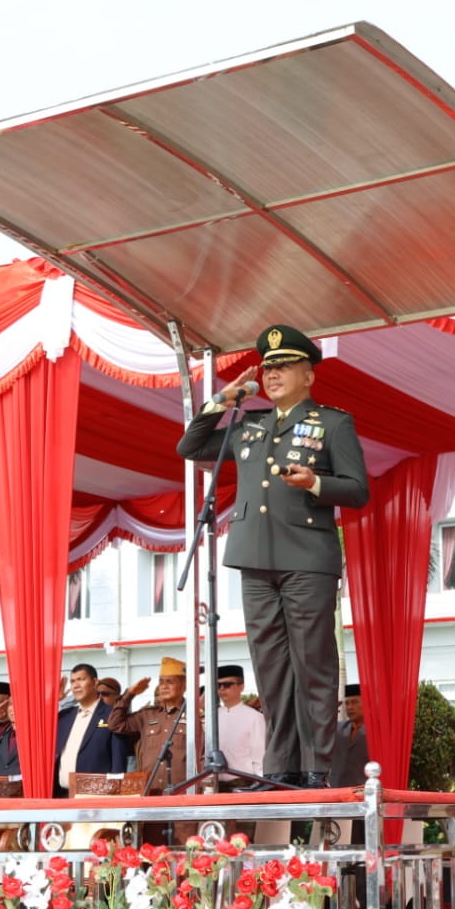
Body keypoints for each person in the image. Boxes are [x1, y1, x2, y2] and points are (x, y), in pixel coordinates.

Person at [177, 324, 369, 789]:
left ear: (308, 374)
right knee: (271, 667)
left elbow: (358, 489)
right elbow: (190, 447)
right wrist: (221, 401)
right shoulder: (250, 424)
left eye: (283, 367)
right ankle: (281, 766)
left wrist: (316, 483)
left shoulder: (332, 423)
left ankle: (319, 768)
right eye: (267, 369)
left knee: (313, 665)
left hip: (306, 558)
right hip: (255, 558)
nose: (272, 375)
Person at [108, 657, 193, 792]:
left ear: (184, 686)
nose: (164, 686)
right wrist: (130, 694)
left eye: (170, 682)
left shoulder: (194, 715)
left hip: (182, 792)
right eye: (161, 682)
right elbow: (115, 724)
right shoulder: (147, 715)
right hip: (149, 791)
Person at [52, 663, 129, 796]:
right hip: (62, 796)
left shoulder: (111, 716)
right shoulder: (64, 717)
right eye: (73, 681)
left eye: (81, 679)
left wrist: (115, 796)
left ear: (95, 682)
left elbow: (118, 763)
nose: (76, 685)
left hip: (96, 797)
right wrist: (54, 701)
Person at [210, 664, 265, 785]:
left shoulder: (254, 717)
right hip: (214, 783)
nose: (222, 689)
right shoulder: (212, 717)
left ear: (241, 687)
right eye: (218, 685)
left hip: (243, 782)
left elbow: (259, 756)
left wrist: (259, 783)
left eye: (227, 685)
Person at [329, 684, 368, 788]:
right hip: (336, 791)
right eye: (347, 703)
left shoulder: (375, 733)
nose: (350, 707)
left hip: (362, 792)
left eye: (355, 702)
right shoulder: (338, 729)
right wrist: (329, 713)